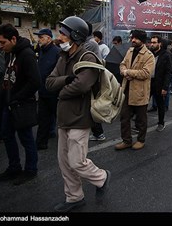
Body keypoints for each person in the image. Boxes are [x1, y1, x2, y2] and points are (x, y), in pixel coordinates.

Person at [46, 16, 110, 212]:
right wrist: (66, 80)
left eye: (63, 34)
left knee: (76, 161)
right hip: (64, 117)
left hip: (80, 118)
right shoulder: (63, 57)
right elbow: (49, 82)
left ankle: (102, 177)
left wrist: (61, 91)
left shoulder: (88, 58)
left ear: (74, 36)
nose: (60, 37)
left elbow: (82, 85)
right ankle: (74, 197)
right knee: (65, 162)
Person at [0, 23, 41, 185]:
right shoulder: (10, 52)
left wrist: (17, 98)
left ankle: (30, 170)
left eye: (2, 42)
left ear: (13, 39)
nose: (0, 46)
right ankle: (14, 168)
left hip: (21, 105)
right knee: (6, 135)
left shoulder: (26, 54)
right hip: (9, 104)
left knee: (26, 138)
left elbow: (35, 82)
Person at [115, 29, 155, 151]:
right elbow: (122, 64)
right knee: (124, 117)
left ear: (142, 41)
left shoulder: (149, 55)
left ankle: (140, 140)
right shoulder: (130, 51)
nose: (133, 40)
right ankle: (126, 140)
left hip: (140, 92)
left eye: (136, 38)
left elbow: (146, 73)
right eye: (132, 37)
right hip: (127, 89)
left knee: (141, 119)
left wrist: (128, 72)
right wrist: (123, 71)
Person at [33, 28, 60, 150]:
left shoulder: (57, 52)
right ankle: (41, 143)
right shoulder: (42, 51)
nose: (39, 40)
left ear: (49, 38)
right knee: (43, 118)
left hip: (54, 92)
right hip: (43, 91)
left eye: (41, 37)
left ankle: (68, 143)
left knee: (60, 118)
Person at [149, 35, 172, 132]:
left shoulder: (166, 55)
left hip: (160, 83)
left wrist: (165, 87)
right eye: (151, 42)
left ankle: (161, 122)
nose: (152, 44)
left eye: (154, 42)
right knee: (144, 102)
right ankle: (139, 123)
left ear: (160, 44)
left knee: (160, 104)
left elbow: (168, 72)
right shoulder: (150, 54)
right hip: (149, 82)